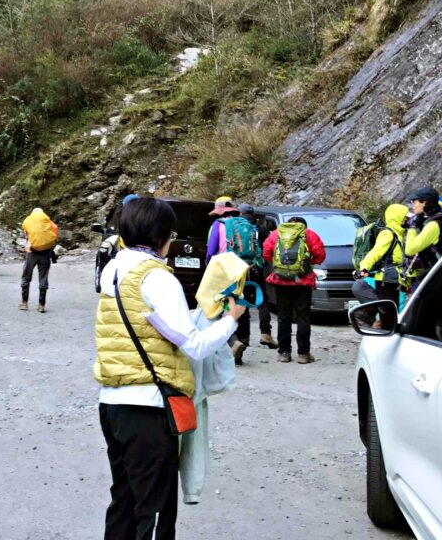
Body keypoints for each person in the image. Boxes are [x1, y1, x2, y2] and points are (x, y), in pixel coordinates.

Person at [94, 197, 244, 539]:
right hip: (149, 408)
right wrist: (229, 321)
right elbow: (194, 344)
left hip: (113, 402)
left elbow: (150, 326)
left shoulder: (113, 270)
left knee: (124, 500)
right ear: (162, 234)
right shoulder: (158, 279)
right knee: (155, 508)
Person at [262, 216, 325, 364]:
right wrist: (305, 264)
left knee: (284, 317)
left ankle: (284, 353)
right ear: (303, 225)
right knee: (303, 317)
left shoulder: (276, 234)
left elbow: (266, 253)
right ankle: (303, 354)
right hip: (303, 282)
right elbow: (320, 256)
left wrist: (281, 267)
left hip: (281, 281)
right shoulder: (309, 234)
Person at [225, 204, 276, 364]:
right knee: (263, 301)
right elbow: (266, 249)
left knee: (241, 301)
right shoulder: (261, 226)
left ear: (240, 213)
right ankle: (265, 332)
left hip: (239, 268)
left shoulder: (234, 225)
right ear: (252, 214)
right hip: (256, 268)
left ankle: (241, 340)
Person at [352, 204, 407, 328]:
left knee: (391, 312)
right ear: (397, 217)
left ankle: (388, 332)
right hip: (385, 280)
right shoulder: (388, 234)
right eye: (404, 217)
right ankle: (385, 335)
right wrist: (364, 268)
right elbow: (375, 253)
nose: (406, 219)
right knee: (388, 313)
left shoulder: (400, 234)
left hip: (393, 279)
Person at [402, 187, 442, 293]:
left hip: (439, 280)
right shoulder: (437, 219)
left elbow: (410, 250)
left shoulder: (433, 225)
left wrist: (412, 227)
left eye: (415, 202)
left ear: (424, 202)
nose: (413, 205)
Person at [20, 207, 59, 313]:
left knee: (26, 276)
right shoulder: (49, 223)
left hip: (31, 253)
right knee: (43, 278)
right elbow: (55, 239)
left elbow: (26, 235)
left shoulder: (28, 221)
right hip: (45, 254)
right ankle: (41, 305)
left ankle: (24, 303)